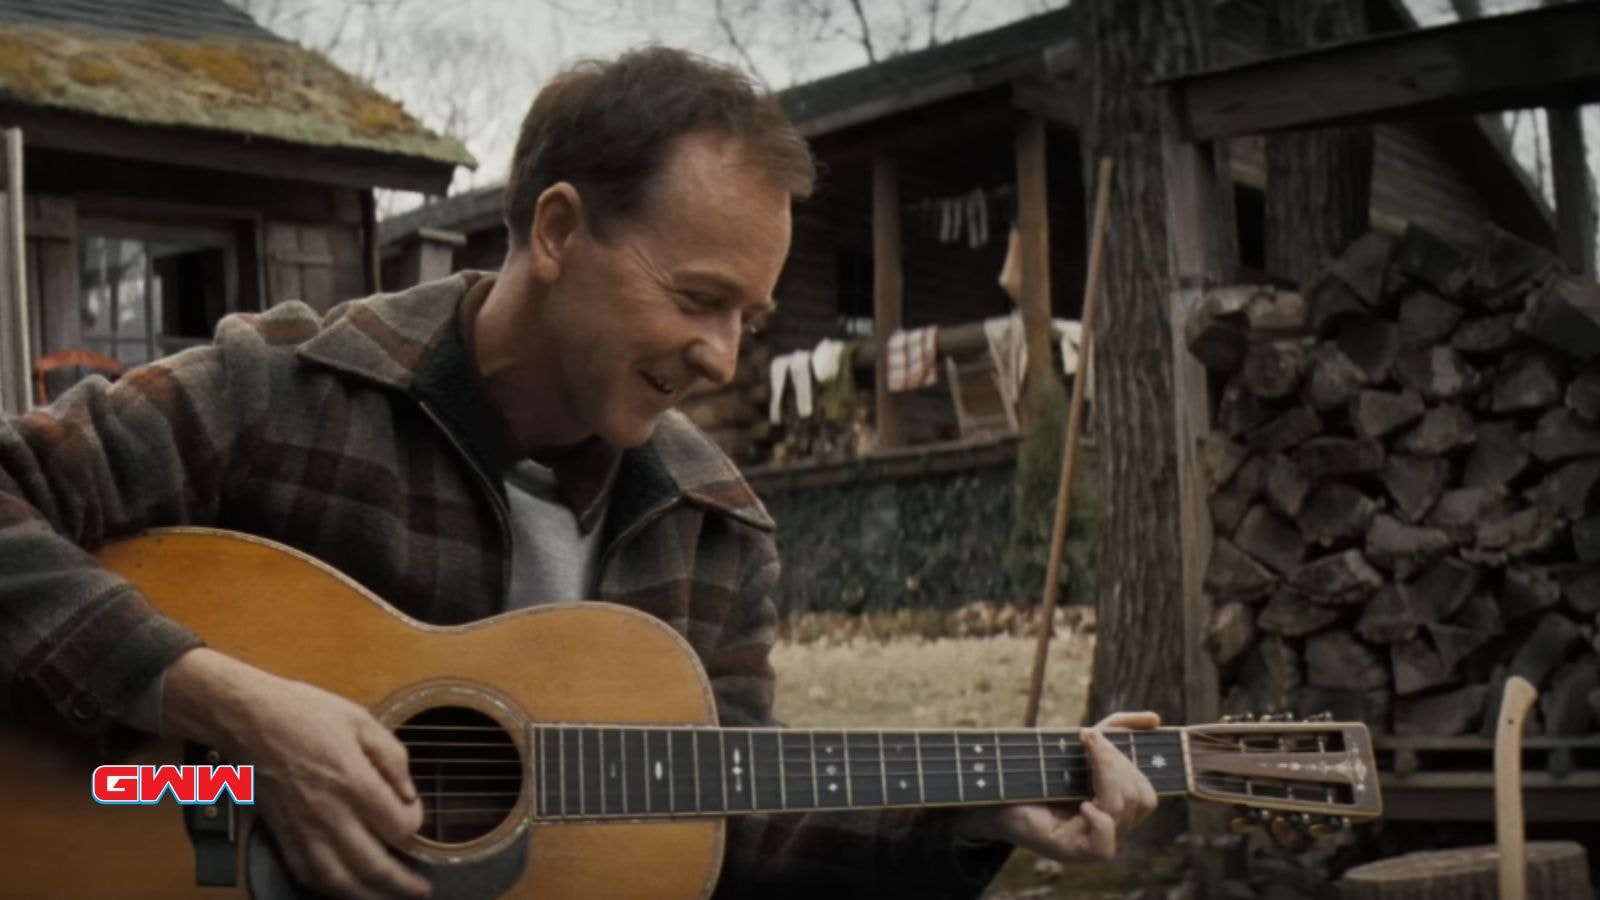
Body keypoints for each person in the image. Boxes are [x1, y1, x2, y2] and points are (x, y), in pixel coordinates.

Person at [0, 47, 1157, 899]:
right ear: (557, 231)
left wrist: (958, 818)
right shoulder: (287, 388)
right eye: (698, 298)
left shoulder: (713, 529)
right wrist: (225, 703)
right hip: (153, 817)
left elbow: (727, 841)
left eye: (750, 320)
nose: (719, 357)